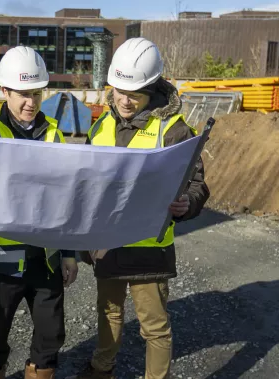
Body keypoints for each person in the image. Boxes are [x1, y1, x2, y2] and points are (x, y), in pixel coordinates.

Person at [66, 38, 210, 379]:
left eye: (134, 94)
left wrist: (186, 203)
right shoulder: (102, 125)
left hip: (149, 249)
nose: (124, 100)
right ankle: (102, 368)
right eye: (118, 91)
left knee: (154, 328)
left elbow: (197, 184)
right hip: (106, 245)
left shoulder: (173, 130)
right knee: (109, 313)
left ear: (152, 89)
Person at [0, 46, 79, 379]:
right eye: (23, 94)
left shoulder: (54, 134)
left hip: (45, 258)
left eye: (37, 93)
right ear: (2, 88)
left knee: (51, 337)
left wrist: (68, 254)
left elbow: (64, 200)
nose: (31, 103)